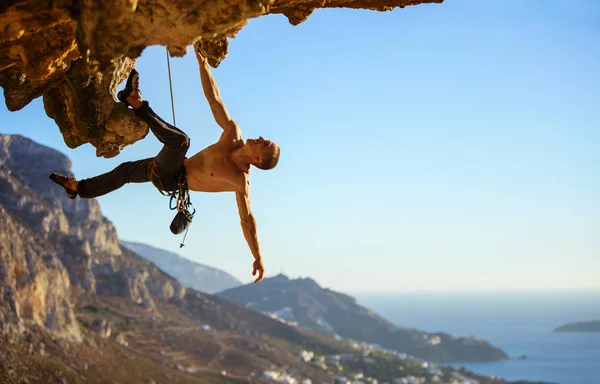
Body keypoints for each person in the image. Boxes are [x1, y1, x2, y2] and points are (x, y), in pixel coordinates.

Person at [49, 48, 280, 283]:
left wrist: (258, 256)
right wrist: (203, 65)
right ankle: (78, 189)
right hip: (168, 167)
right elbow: (214, 99)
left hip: (171, 180)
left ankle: (135, 102)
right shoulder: (232, 134)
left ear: (258, 159)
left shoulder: (240, 180)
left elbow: (247, 219)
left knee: (180, 142)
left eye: (264, 144)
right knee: (125, 172)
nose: (260, 138)